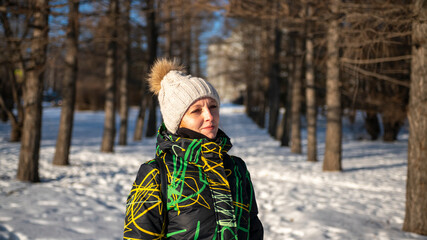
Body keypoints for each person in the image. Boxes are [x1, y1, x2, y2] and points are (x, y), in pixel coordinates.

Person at [123, 59, 263, 240]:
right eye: (196, 111)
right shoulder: (156, 173)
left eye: (213, 107)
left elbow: (253, 229)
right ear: (176, 120)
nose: (209, 116)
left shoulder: (236, 168)